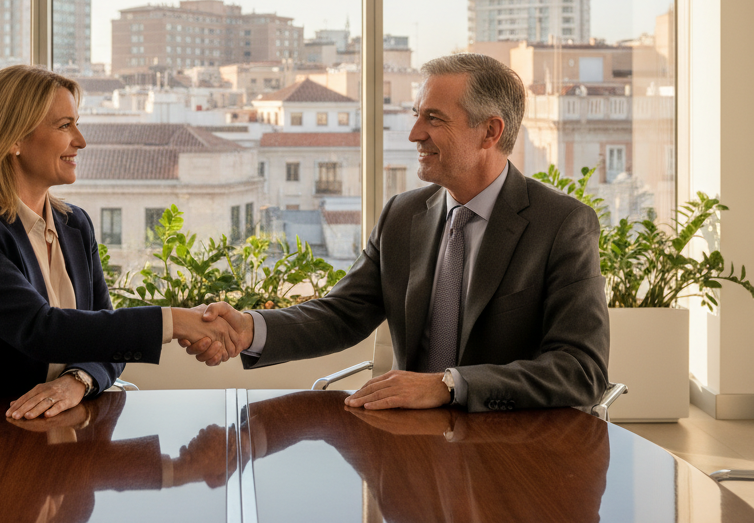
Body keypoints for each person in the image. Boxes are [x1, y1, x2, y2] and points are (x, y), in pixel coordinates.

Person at [189, 53, 609, 412]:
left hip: (510, 451)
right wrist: (250, 328)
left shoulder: (562, 225)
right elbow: (342, 314)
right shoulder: (403, 214)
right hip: (409, 446)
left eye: (434, 118)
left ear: (490, 131)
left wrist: (450, 385)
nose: (414, 134)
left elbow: (580, 369)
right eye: (416, 116)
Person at [0, 64, 242, 418]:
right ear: (13, 139)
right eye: (64, 125)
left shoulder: (75, 224)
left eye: (76, 123)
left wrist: (78, 380)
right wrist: (175, 321)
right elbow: (39, 330)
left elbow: (104, 339)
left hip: (53, 430)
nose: (80, 140)